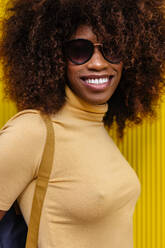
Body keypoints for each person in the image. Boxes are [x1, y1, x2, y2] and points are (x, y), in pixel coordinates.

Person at [0, 0, 165, 247]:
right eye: (79, 50)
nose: (98, 63)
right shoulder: (32, 131)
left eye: (113, 48)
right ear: (55, 56)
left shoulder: (96, 126)